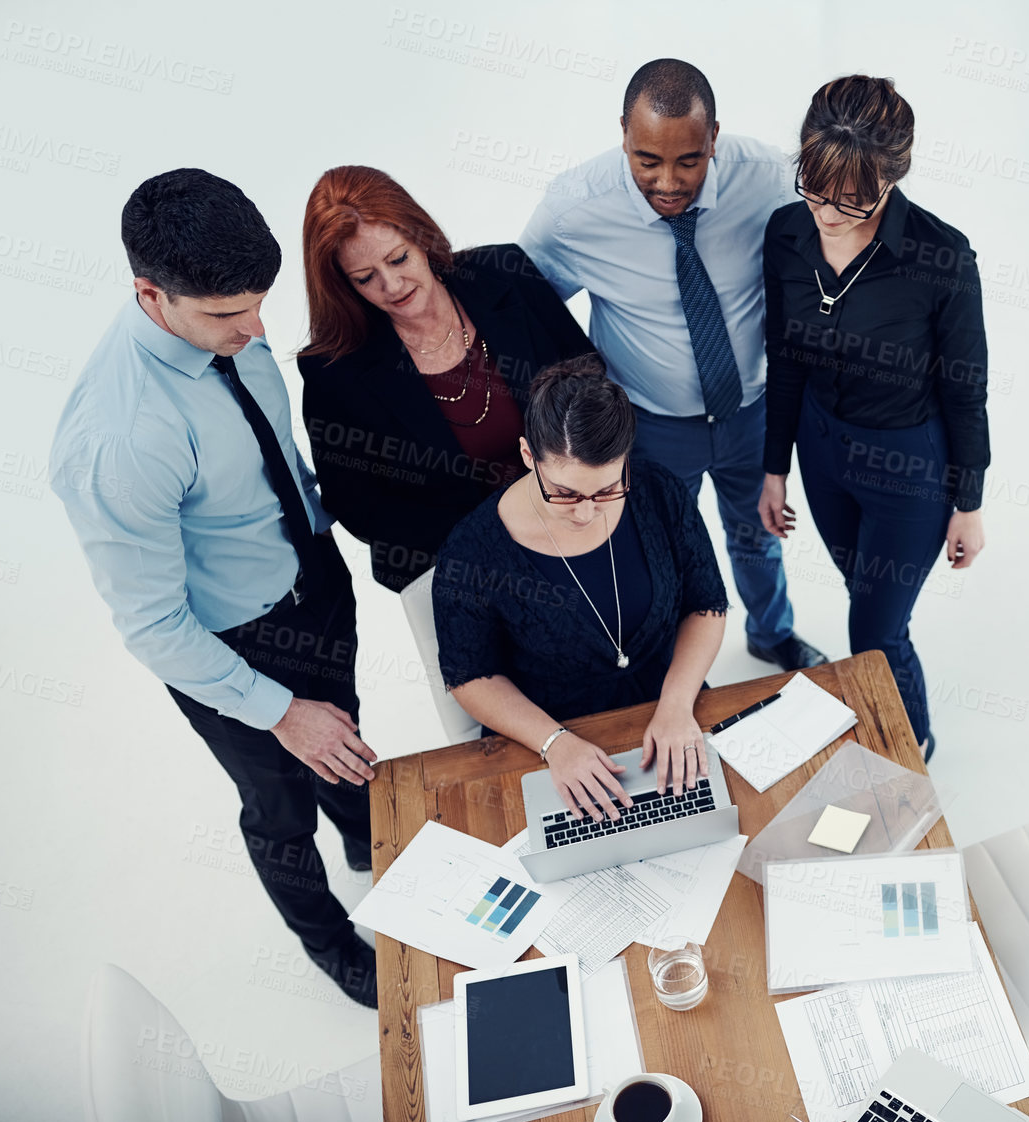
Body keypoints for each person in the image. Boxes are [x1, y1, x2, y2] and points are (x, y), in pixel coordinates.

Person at [49, 169, 379, 1007]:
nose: (256, 328)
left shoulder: (228, 323)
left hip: (310, 580)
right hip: (231, 646)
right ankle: (333, 949)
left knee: (342, 733)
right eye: (229, 316)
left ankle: (368, 842)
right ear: (150, 294)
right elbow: (154, 626)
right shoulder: (121, 440)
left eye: (258, 304)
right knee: (277, 805)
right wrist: (277, 709)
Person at [520, 57, 826, 672]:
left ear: (714, 137)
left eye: (689, 160)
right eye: (647, 160)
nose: (667, 182)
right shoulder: (575, 209)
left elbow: (846, 222)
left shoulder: (767, 177)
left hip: (751, 411)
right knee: (655, 550)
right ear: (624, 137)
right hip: (650, 425)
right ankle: (666, 667)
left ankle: (771, 634)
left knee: (758, 537)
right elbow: (525, 305)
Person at [758, 76, 991, 761]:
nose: (826, 212)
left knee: (875, 631)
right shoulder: (786, 233)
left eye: (850, 197)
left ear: (890, 177)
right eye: (813, 185)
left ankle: (910, 752)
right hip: (821, 452)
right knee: (866, 600)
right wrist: (775, 467)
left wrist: (968, 503)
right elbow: (785, 357)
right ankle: (894, 729)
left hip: (907, 468)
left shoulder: (940, 257)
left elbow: (965, 390)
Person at [433, 354, 730, 821]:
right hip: (552, 736)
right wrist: (554, 744)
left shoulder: (658, 491)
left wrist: (675, 705)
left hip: (673, 707)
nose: (587, 512)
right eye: (566, 493)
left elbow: (707, 605)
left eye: (608, 490)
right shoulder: (471, 552)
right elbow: (469, 677)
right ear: (529, 456)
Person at [297, 166, 596, 592]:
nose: (392, 285)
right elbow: (358, 506)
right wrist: (496, 536)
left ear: (420, 235)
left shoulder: (505, 271)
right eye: (365, 278)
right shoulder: (334, 370)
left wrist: (583, 495)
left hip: (583, 525)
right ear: (342, 284)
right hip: (459, 571)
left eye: (398, 258)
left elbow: (590, 384)